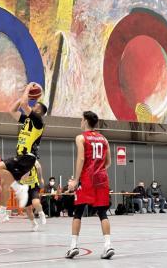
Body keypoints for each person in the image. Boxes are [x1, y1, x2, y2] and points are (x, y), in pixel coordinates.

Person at [0, 83, 47, 224]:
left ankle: (18, 189)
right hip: (21, 157)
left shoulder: (38, 121)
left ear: (40, 112)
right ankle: (2, 212)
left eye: (36, 107)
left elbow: (24, 104)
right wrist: (21, 96)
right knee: (4, 182)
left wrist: (27, 89)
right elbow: (12, 110)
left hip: (27, 157)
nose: (34, 106)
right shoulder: (27, 120)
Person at [66, 111, 114, 260]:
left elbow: (81, 159)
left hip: (87, 179)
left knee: (78, 212)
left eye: (81, 119)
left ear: (85, 121)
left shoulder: (81, 138)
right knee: (102, 213)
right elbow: (108, 162)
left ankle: (73, 246)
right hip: (101, 178)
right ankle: (108, 246)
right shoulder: (104, 139)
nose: (80, 122)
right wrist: (98, 170)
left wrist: (75, 180)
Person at [20, 160, 46, 231]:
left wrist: (41, 178)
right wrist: (26, 174)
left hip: (34, 186)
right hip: (24, 187)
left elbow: (39, 167)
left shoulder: (33, 160)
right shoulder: (19, 164)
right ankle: (34, 224)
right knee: (28, 209)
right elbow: (21, 179)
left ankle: (41, 213)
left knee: (36, 202)